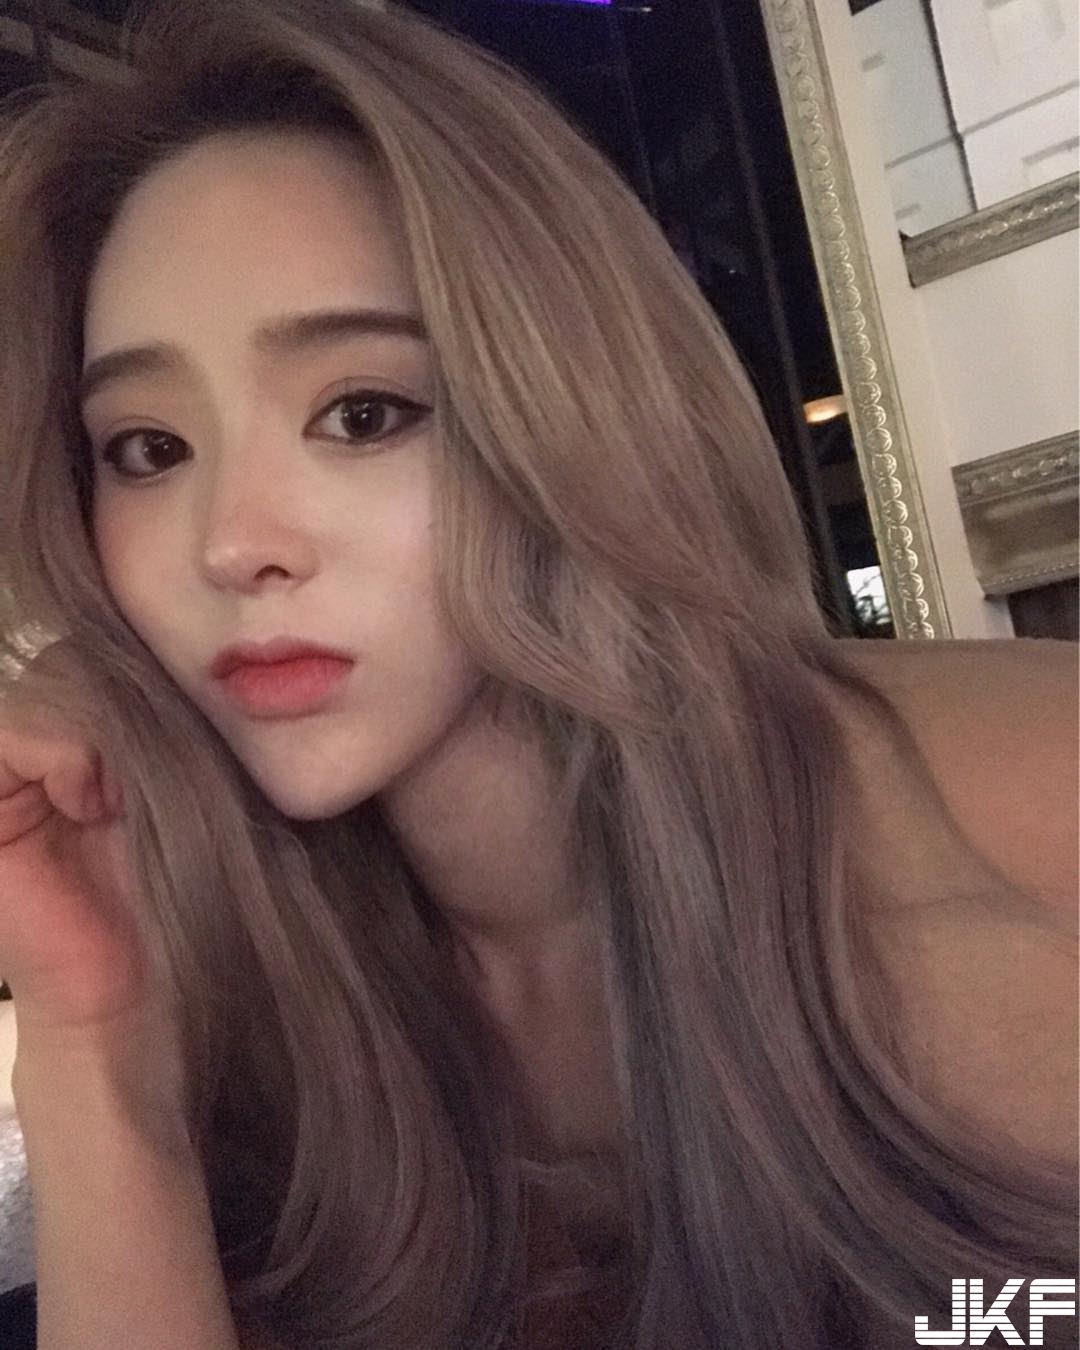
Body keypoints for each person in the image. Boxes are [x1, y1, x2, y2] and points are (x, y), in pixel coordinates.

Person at [0, 0, 1075, 1346]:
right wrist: (96, 1056)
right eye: (147, 449)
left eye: (365, 413)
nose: (229, 545)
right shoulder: (239, 996)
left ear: (572, 410)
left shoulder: (1020, 804)